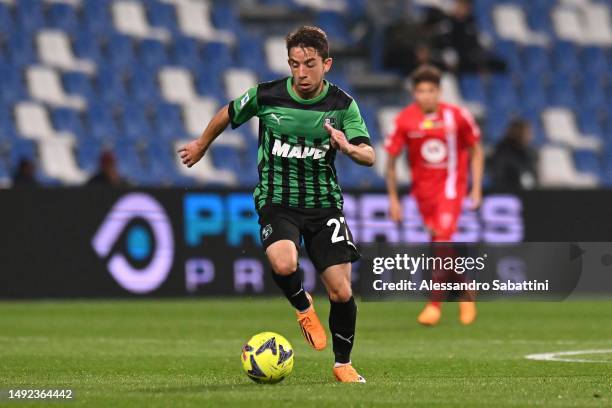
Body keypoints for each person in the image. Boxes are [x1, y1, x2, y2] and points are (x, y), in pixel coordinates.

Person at [178, 26, 375, 383]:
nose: (301, 73)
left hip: (324, 204)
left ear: (326, 64)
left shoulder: (343, 105)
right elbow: (228, 111)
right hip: (278, 199)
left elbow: (370, 156)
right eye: (294, 64)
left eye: (310, 64)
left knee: (342, 291)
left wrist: (348, 148)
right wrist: (202, 144)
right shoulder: (267, 95)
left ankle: (342, 363)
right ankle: (303, 306)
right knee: (284, 263)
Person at [384, 64, 484, 326]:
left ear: (439, 92)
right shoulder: (404, 119)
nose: (425, 96)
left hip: (451, 188)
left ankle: (434, 305)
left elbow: (476, 150)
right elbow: (391, 162)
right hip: (423, 194)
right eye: (420, 91)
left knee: (441, 240)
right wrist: (394, 200)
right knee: (442, 247)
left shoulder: (458, 116)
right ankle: (465, 290)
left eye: (430, 90)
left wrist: (476, 187)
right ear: (414, 93)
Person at [489, 119, 538, 191]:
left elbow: (533, 176)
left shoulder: (530, 153)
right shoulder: (502, 153)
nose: (530, 136)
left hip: (528, 193)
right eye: (527, 132)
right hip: (508, 194)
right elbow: (498, 178)